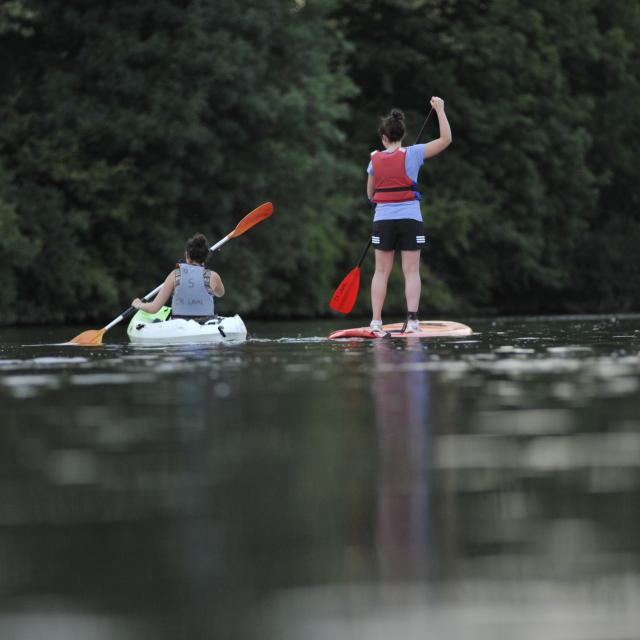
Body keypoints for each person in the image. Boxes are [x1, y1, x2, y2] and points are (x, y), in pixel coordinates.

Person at [367, 96, 451, 332]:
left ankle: (375, 322)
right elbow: (446, 139)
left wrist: (378, 201)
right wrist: (440, 110)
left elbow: (371, 192)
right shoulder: (414, 153)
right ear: (402, 135)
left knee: (380, 271)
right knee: (411, 271)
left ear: (384, 138)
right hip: (410, 219)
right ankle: (412, 321)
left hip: (383, 219)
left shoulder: (374, 159)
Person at [131, 233, 224, 321]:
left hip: (179, 327)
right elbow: (220, 294)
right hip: (206, 326)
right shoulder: (213, 276)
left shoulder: (175, 275)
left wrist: (139, 304)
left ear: (187, 256)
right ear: (205, 257)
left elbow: (154, 308)